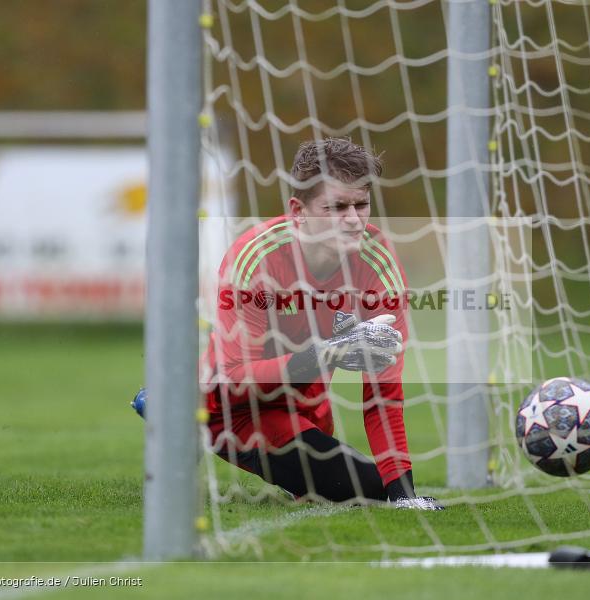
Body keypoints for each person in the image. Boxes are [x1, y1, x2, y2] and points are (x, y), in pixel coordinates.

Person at [135, 138, 442, 510]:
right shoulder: (255, 257)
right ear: (299, 210)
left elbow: (384, 391)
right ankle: (180, 411)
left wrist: (404, 495)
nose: (353, 219)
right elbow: (235, 377)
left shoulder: (378, 261)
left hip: (305, 407)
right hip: (232, 408)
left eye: (362, 205)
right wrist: (325, 355)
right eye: (336, 207)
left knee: (378, 489)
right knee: (364, 489)